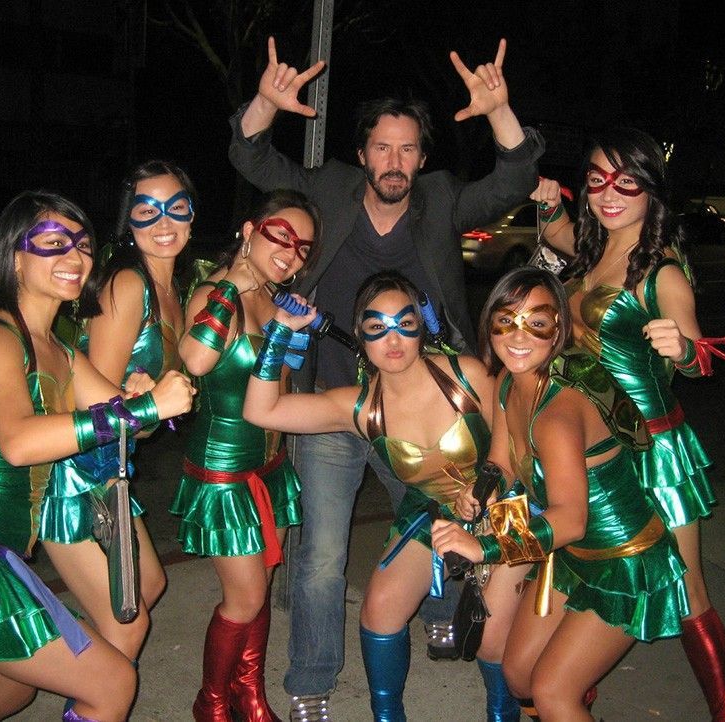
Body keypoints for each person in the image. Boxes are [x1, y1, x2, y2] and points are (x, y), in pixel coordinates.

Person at [228, 35, 545, 717]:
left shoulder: (440, 198)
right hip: (336, 402)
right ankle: (311, 683)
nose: (394, 162)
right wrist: (264, 103)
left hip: (420, 401)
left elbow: (512, 181)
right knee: (321, 556)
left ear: (422, 158)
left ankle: (443, 604)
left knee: (449, 508)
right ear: (362, 153)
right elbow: (252, 157)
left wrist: (498, 111)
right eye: (382, 148)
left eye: (407, 149)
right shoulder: (329, 188)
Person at [0, 190, 194, 722]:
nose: (75, 257)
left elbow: (124, 424)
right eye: (53, 244)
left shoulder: (59, 350)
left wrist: (141, 400)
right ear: (13, 257)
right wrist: (139, 410)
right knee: (112, 684)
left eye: (82, 244)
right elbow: (19, 442)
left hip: (2, 554)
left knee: (3, 698)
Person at [530, 127, 725, 721]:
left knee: (689, 588)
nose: (609, 194)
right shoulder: (592, 248)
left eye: (626, 182)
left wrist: (684, 350)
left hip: (653, 449)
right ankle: (576, 690)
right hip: (594, 440)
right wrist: (547, 202)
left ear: (651, 189)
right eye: (598, 180)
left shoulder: (662, 272)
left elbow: (700, 359)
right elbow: (555, 229)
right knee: (591, 558)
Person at [243, 269, 502, 721]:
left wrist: (489, 490)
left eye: (405, 323)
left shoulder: (467, 375)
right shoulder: (361, 406)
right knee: (380, 610)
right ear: (360, 336)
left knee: (498, 645)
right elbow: (261, 409)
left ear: (422, 326)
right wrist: (281, 331)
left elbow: (514, 448)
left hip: (504, 509)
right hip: (435, 517)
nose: (393, 339)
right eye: (377, 327)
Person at [432, 266, 689, 721]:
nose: (518, 336)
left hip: (625, 563)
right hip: (570, 555)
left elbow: (570, 519)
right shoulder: (508, 382)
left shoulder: (559, 413)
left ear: (558, 330)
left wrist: (484, 548)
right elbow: (503, 461)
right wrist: (482, 489)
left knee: (553, 691)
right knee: (519, 674)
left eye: (537, 322)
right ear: (489, 323)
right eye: (506, 320)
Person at [38, 160, 195, 669]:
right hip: (76, 476)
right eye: (147, 211)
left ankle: (79, 675)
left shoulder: (172, 289)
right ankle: (74, 683)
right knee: (128, 618)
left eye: (176, 207)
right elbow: (95, 406)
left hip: (111, 468)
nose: (164, 222)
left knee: (147, 586)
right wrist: (142, 407)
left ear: (193, 215)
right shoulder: (128, 285)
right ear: (128, 220)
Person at [173, 189, 322, 722]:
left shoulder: (274, 297)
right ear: (249, 231)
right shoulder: (216, 291)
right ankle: (211, 702)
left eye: (302, 247)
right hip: (224, 474)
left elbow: (274, 386)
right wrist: (231, 289)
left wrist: (287, 331)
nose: (291, 253)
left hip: (270, 466)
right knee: (244, 599)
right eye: (281, 236)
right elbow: (195, 361)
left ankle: (248, 693)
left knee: (261, 588)